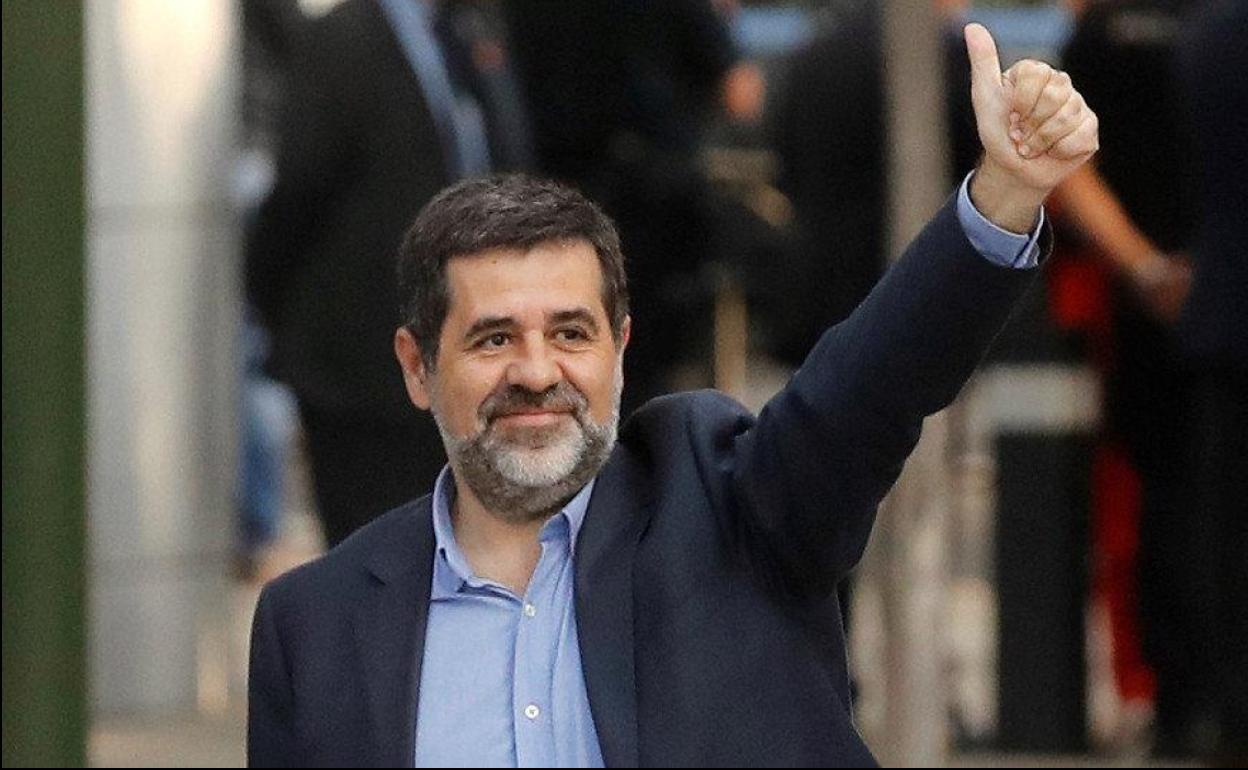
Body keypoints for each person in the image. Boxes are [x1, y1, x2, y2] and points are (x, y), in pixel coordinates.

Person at [248, 25, 1100, 767]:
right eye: (494, 338)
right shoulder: (314, 627)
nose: (537, 372)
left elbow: (868, 388)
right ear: (417, 367)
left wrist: (1003, 196)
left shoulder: (733, 513)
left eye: (570, 333)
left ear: (620, 350)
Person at [246, 0, 533, 548]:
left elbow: (509, 163)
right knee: (374, 555)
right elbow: (298, 196)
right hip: (361, 371)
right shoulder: (343, 38)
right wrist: (277, 309)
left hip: (463, 350)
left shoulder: (468, 34)